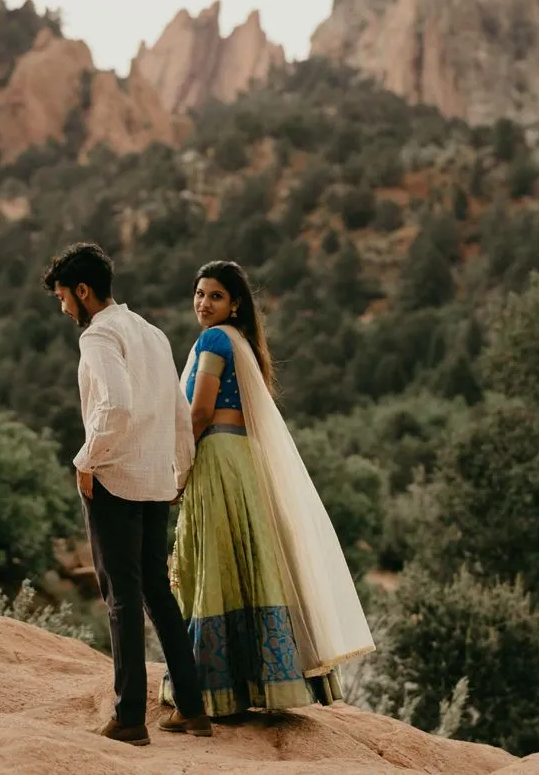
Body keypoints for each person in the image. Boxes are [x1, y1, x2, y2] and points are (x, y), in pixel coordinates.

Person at [160, 260, 375, 718]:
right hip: (241, 459)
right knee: (247, 564)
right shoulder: (243, 343)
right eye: (199, 293)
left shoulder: (214, 339)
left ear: (234, 303)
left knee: (214, 569)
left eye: (215, 296)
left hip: (216, 457)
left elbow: (198, 413)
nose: (204, 303)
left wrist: (177, 474)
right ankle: (258, 683)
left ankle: (209, 694)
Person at [41, 241, 212, 746]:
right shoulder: (153, 333)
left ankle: (130, 718)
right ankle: (193, 709)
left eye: (63, 297)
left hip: (114, 476)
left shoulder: (98, 336)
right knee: (158, 592)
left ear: (84, 291)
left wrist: (86, 459)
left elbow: (116, 406)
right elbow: (180, 411)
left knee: (121, 599)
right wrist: (178, 469)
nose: (63, 306)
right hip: (155, 476)